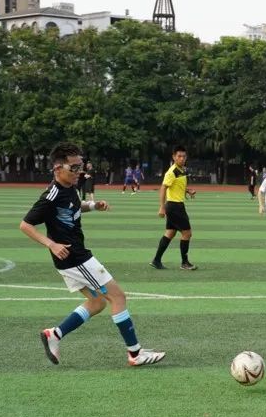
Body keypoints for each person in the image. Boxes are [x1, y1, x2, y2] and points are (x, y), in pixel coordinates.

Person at [19, 143, 165, 367]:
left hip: (72, 257)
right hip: (75, 257)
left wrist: (94, 205)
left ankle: (54, 335)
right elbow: (25, 225)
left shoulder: (70, 187)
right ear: (57, 168)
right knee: (118, 297)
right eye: (74, 168)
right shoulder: (51, 195)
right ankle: (135, 354)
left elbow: (74, 206)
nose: (79, 172)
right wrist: (52, 244)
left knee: (97, 303)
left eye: (81, 166)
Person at [150, 145, 197, 270]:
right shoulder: (172, 172)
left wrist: (188, 191)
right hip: (175, 206)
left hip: (176, 205)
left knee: (170, 233)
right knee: (187, 233)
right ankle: (184, 263)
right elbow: (163, 188)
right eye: (179, 156)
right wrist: (161, 207)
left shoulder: (182, 170)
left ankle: (156, 260)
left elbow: (177, 186)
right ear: (174, 157)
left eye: (184, 156)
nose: (182, 158)